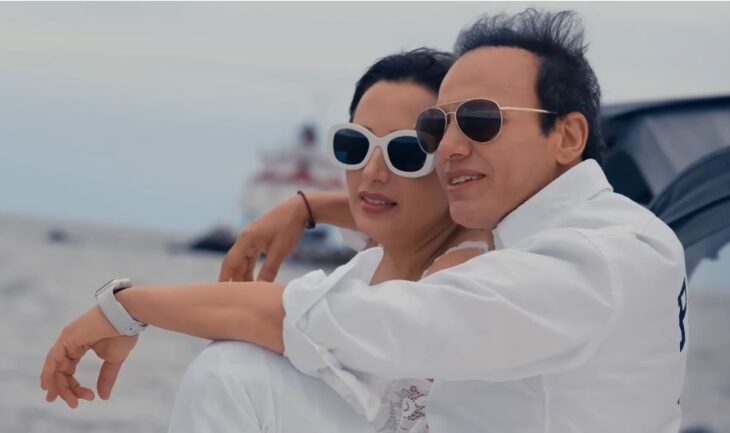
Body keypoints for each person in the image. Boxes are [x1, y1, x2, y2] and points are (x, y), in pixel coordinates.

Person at [220, 9, 689, 433]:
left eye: (480, 121)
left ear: (567, 137)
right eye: (435, 128)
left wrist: (158, 305)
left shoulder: (585, 258)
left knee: (229, 373)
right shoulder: (553, 230)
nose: (446, 148)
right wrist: (307, 206)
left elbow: (354, 322)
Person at [39, 48, 491, 432]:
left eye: (406, 152)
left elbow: (290, 318)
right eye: (355, 146)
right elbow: (379, 206)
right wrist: (304, 207)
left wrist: (125, 306)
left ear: (452, 161)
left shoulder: (462, 275)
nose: (372, 172)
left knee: (228, 371)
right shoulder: (395, 249)